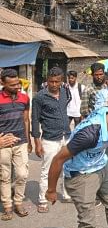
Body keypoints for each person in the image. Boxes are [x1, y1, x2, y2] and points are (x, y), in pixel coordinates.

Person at [32, 67, 72, 213]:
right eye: (51, 81)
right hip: (49, 139)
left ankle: (66, 193)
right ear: (47, 80)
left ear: (62, 81)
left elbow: (65, 109)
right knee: (47, 170)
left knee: (67, 167)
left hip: (66, 136)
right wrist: (37, 143)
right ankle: (42, 200)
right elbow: (35, 120)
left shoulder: (64, 92)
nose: (54, 84)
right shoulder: (39, 97)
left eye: (57, 81)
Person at [0, 68, 31, 221]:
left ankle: (18, 201)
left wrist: (29, 141)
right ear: (2, 83)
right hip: (3, 145)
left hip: (21, 143)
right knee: (4, 176)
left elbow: (26, 120)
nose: (17, 87)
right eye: (12, 85)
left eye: (18, 83)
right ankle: (7, 206)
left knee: (22, 174)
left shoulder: (24, 98)